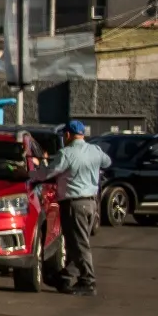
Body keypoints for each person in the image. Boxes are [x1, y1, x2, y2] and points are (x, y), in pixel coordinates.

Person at [35, 120, 111, 296]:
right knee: (75, 242)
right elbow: (108, 162)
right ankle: (66, 276)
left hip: (74, 204)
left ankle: (88, 281)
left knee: (79, 243)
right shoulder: (95, 150)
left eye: (64, 135)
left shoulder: (67, 153)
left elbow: (47, 173)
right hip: (92, 203)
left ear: (68, 135)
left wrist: (29, 174)